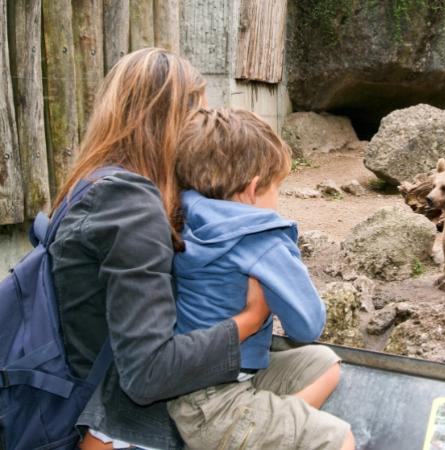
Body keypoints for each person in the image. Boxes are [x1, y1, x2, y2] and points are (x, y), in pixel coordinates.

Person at [48, 48, 350, 449]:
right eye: (196, 116)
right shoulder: (133, 208)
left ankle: (258, 434)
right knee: (335, 437)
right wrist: (252, 316)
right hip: (131, 397)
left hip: (134, 378)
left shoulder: (103, 185)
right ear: (169, 122)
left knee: (322, 366)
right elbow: (148, 374)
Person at [166, 107, 353, 449]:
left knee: (324, 363)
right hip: (216, 405)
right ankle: (256, 433)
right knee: (337, 437)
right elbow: (307, 326)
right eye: (277, 189)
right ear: (253, 189)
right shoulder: (260, 237)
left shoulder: (180, 212)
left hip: (197, 383)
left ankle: (265, 434)